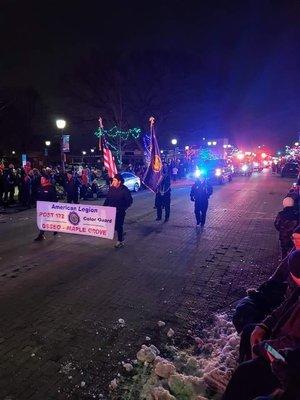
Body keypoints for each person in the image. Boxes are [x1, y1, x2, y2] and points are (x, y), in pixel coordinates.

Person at [222, 250, 300, 400]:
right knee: (249, 331)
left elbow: (293, 348)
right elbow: (282, 309)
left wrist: (265, 347)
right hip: (280, 347)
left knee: (245, 373)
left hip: (287, 364)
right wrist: (263, 326)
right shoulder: (297, 289)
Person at [103, 173, 133, 248]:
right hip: (111, 211)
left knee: (119, 226)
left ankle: (120, 241)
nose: (113, 182)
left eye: (115, 180)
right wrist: (103, 208)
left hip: (120, 212)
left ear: (119, 181)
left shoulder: (125, 190)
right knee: (114, 226)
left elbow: (129, 201)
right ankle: (121, 233)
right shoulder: (112, 188)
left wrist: (123, 208)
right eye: (113, 180)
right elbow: (108, 199)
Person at [34, 168, 58, 241]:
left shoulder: (51, 187)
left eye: (43, 179)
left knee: (46, 220)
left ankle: (42, 234)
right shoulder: (40, 187)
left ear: (46, 180)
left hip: (49, 208)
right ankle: (43, 234)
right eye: (41, 179)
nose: (41, 180)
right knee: (44, 221)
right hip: (42, 208)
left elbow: (54, 199)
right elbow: (38, 196)